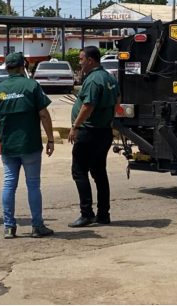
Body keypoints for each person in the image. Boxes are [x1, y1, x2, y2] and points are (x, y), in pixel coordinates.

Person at [0, 52, 56, 239]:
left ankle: (9, 227)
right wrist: (50, 139)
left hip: (8, 147)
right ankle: (37, 226)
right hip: (30, 145)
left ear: (7, 68)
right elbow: (44, 114)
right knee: (33, 185)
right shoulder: (32, 86)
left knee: (9, 184)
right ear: (23, 66)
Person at [67, 46, 119, 228]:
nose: (80, 63)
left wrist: (75, 127)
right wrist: (110, 120)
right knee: (99, 173)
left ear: (90, 60)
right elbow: (117, 100)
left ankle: (86, 213)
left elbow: (87, 106)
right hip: (104, 131)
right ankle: (103, 214)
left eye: (81, 59)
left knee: (79, 172)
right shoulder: (109, 77)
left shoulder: (93, 80)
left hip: (89, 132)